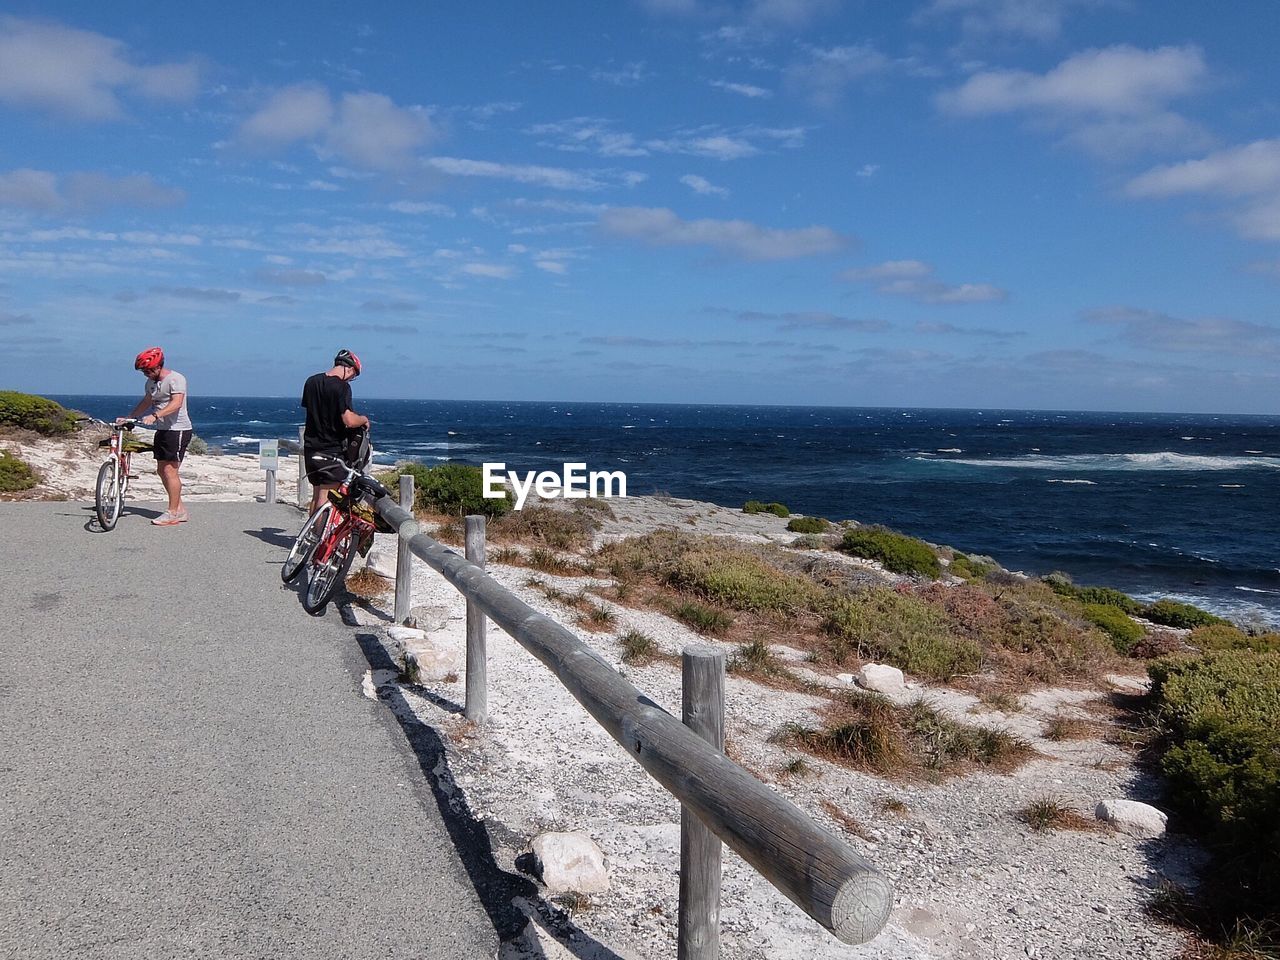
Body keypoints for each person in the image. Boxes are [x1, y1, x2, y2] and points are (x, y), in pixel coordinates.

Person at [119, 346, 192, 526]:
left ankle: (172, 512)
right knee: (161, 470)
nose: (146, 374)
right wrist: (130, 417)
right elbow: (147, 401)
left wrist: (155, 416)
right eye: (144, 371)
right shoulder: (150, 383)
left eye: (149, 370)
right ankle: (180, 509)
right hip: (163, 430)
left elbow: (176, 403)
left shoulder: (176, 379)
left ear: (159, 366)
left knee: (170, 470)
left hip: (178, 429)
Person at [301, 349, 369, 513]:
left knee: (317, 495)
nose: (352, 379)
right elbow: (349, 420)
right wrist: (364, 419)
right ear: (350, 369)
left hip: (311, 447)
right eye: (354, 376)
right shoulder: (341, 387)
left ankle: (310, 535)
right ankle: (319, 537)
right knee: (326, 496)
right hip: (330, 449)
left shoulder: (311, 382)